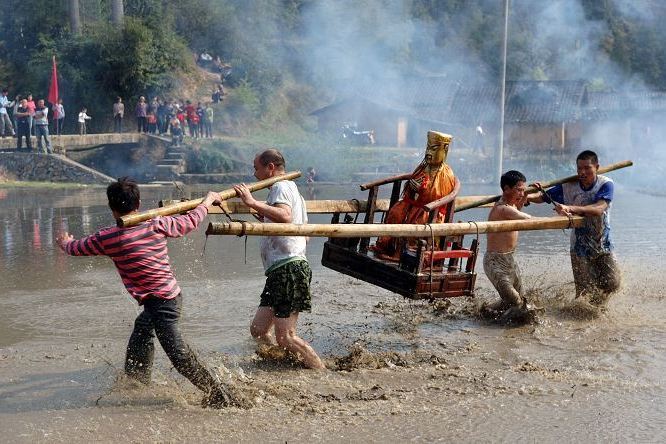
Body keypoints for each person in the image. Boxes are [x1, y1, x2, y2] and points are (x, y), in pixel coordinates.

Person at [56, 178, 249, 408]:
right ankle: (136, 382)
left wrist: (65, 242)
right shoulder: (156, 224)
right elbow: (189, 222)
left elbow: (77, 248)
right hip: (167, 297)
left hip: (163, 303)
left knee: (179, 355)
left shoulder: (107, 238)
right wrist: (207, 201)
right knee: (142, 332)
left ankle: (221, 395)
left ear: (112, 207)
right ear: (138, 203)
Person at [233, 149, 326, 370]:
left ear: (270, 168)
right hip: (279, 270)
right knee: (258, 330)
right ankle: (283, 364)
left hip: (289, 269)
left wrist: (252, 202)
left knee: (286, 337)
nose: (254, 174)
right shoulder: (290, 190)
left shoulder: (281, 186)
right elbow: (289, 223)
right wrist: (260, 212)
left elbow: (284, 216)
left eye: (256, 168)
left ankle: (322, 374)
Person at [531, 150, 621, 307]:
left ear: (597, 167)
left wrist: (569, 208)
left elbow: (598, 209)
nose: (582, 172)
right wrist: (526, 194)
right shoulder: (568, 186)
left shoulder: (605, 184)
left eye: (587, 168)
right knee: (583, 295)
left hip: (603, 244)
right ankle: (586, 318)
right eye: (579, 168)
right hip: (579, 247)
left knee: (613, 283)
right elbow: (542, 198)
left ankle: (598, 308)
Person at [373, 131, 457, 258]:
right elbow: (411, 184)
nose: (429, 153)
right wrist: (411, 186)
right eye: (428, 148)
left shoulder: (446, 173)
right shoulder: (422, 167)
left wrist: (422, 189)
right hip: (414, 203)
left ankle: (405, 255)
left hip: (431, 211)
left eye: (433, 149)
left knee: (417, 220)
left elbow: (438, 196)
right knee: (396, 211)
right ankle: (386, 246)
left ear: (444, 150)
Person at [481, 170, 539, 324]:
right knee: (516, 302)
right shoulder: (502, 209)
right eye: (519, 190)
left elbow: (518, 208)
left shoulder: (510, 205)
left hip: (510, 259)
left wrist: (525, 195)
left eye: (523, 189)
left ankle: (485, 312)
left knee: (521, 300)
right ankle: (499, 325)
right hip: (495, 262)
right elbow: (527, 218)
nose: (521, 193)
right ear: (506, 189)